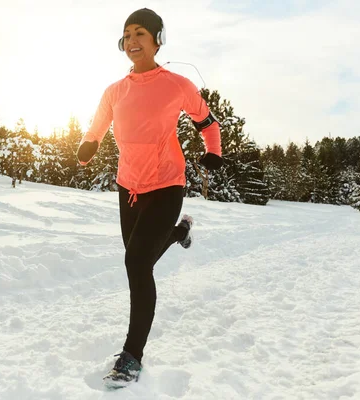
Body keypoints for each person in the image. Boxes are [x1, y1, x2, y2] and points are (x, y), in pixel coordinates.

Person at [76, 8, 224, 387]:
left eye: (140, 33)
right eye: (127, 35)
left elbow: (207, 121)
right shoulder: (115, 90)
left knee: (137, 263)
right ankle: (180, 232)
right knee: (139, 260)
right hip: (129, 188)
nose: (132, 41)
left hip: (166, 184)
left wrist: (214, 151)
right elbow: (99, 122)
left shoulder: (177, 84)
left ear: (158, 39)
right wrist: (90, 142)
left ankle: (131, 356)